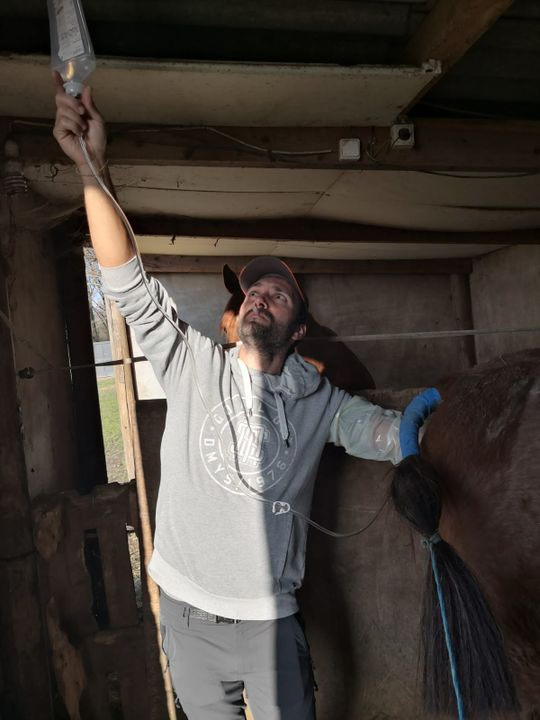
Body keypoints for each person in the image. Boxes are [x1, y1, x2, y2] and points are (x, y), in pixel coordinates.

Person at [53, 75, 404, 720]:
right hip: (188, 618)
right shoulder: (190, 362)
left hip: (271, 622)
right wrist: (90, 166)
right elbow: (125, 282)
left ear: (297, 329)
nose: (257, 297)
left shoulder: (319, 400)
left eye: (277, 294)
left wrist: (425, 431)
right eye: (252, 291)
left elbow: (382, 433)